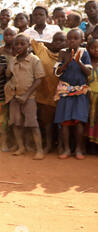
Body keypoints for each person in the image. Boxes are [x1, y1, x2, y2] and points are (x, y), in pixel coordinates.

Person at [4, 34, 45, 160]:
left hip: (29, 97)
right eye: (16, 44)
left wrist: (26, 95)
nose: (19, 46)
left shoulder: (34, 60)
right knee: (16, 123)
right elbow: (8, 75)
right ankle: (20, 147)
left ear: (29, 45)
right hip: (14, 97)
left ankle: (39, 150)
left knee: (33, 124)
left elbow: (39, 79)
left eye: (23, 44)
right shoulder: (13, 60)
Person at [54, 29, 92, 160]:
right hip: (65, 92)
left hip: (80, 92)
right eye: (69, 38)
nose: (72, 41)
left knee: (79, 122)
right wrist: (67, 62)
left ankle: (78, 149)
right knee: (65, 122)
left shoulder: (84, 52)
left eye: (75, 38)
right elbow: (57, 73)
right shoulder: (63, 53)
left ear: (81, 40)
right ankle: (66, 149)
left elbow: (88, 73)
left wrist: (78, 61)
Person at [31, 32, 67, 154]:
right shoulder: (43, 51)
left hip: (63, 96)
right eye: (54, 40)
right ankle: (49, 145)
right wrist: (46, 41)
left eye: (61, 40)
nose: (57, 43)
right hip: (44, 95)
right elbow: (30, 40)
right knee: (47, 123)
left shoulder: (69, 55)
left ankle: (61, 146)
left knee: (62, 124)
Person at [86, 38, 98, 146]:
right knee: (89, 119)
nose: (96, 50)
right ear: (88, 49)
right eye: (93, 48)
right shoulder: (86, 64)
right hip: (89, 98)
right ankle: (90, 145)